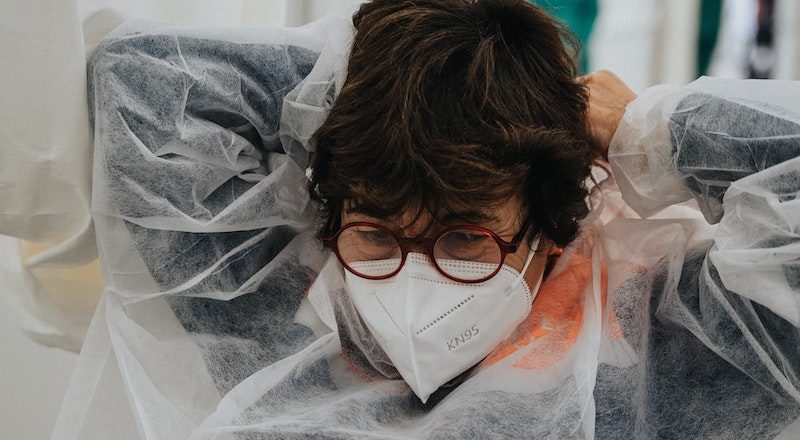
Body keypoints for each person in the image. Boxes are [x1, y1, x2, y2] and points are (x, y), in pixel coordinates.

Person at [56, 0, 798, 438]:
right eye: (376, 233)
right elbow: (142, 80)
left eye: (464, 239)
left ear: (550, 232)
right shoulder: (282, 338)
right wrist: (380, 83)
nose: (412, 284)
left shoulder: (666, 359)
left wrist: (651, 129)